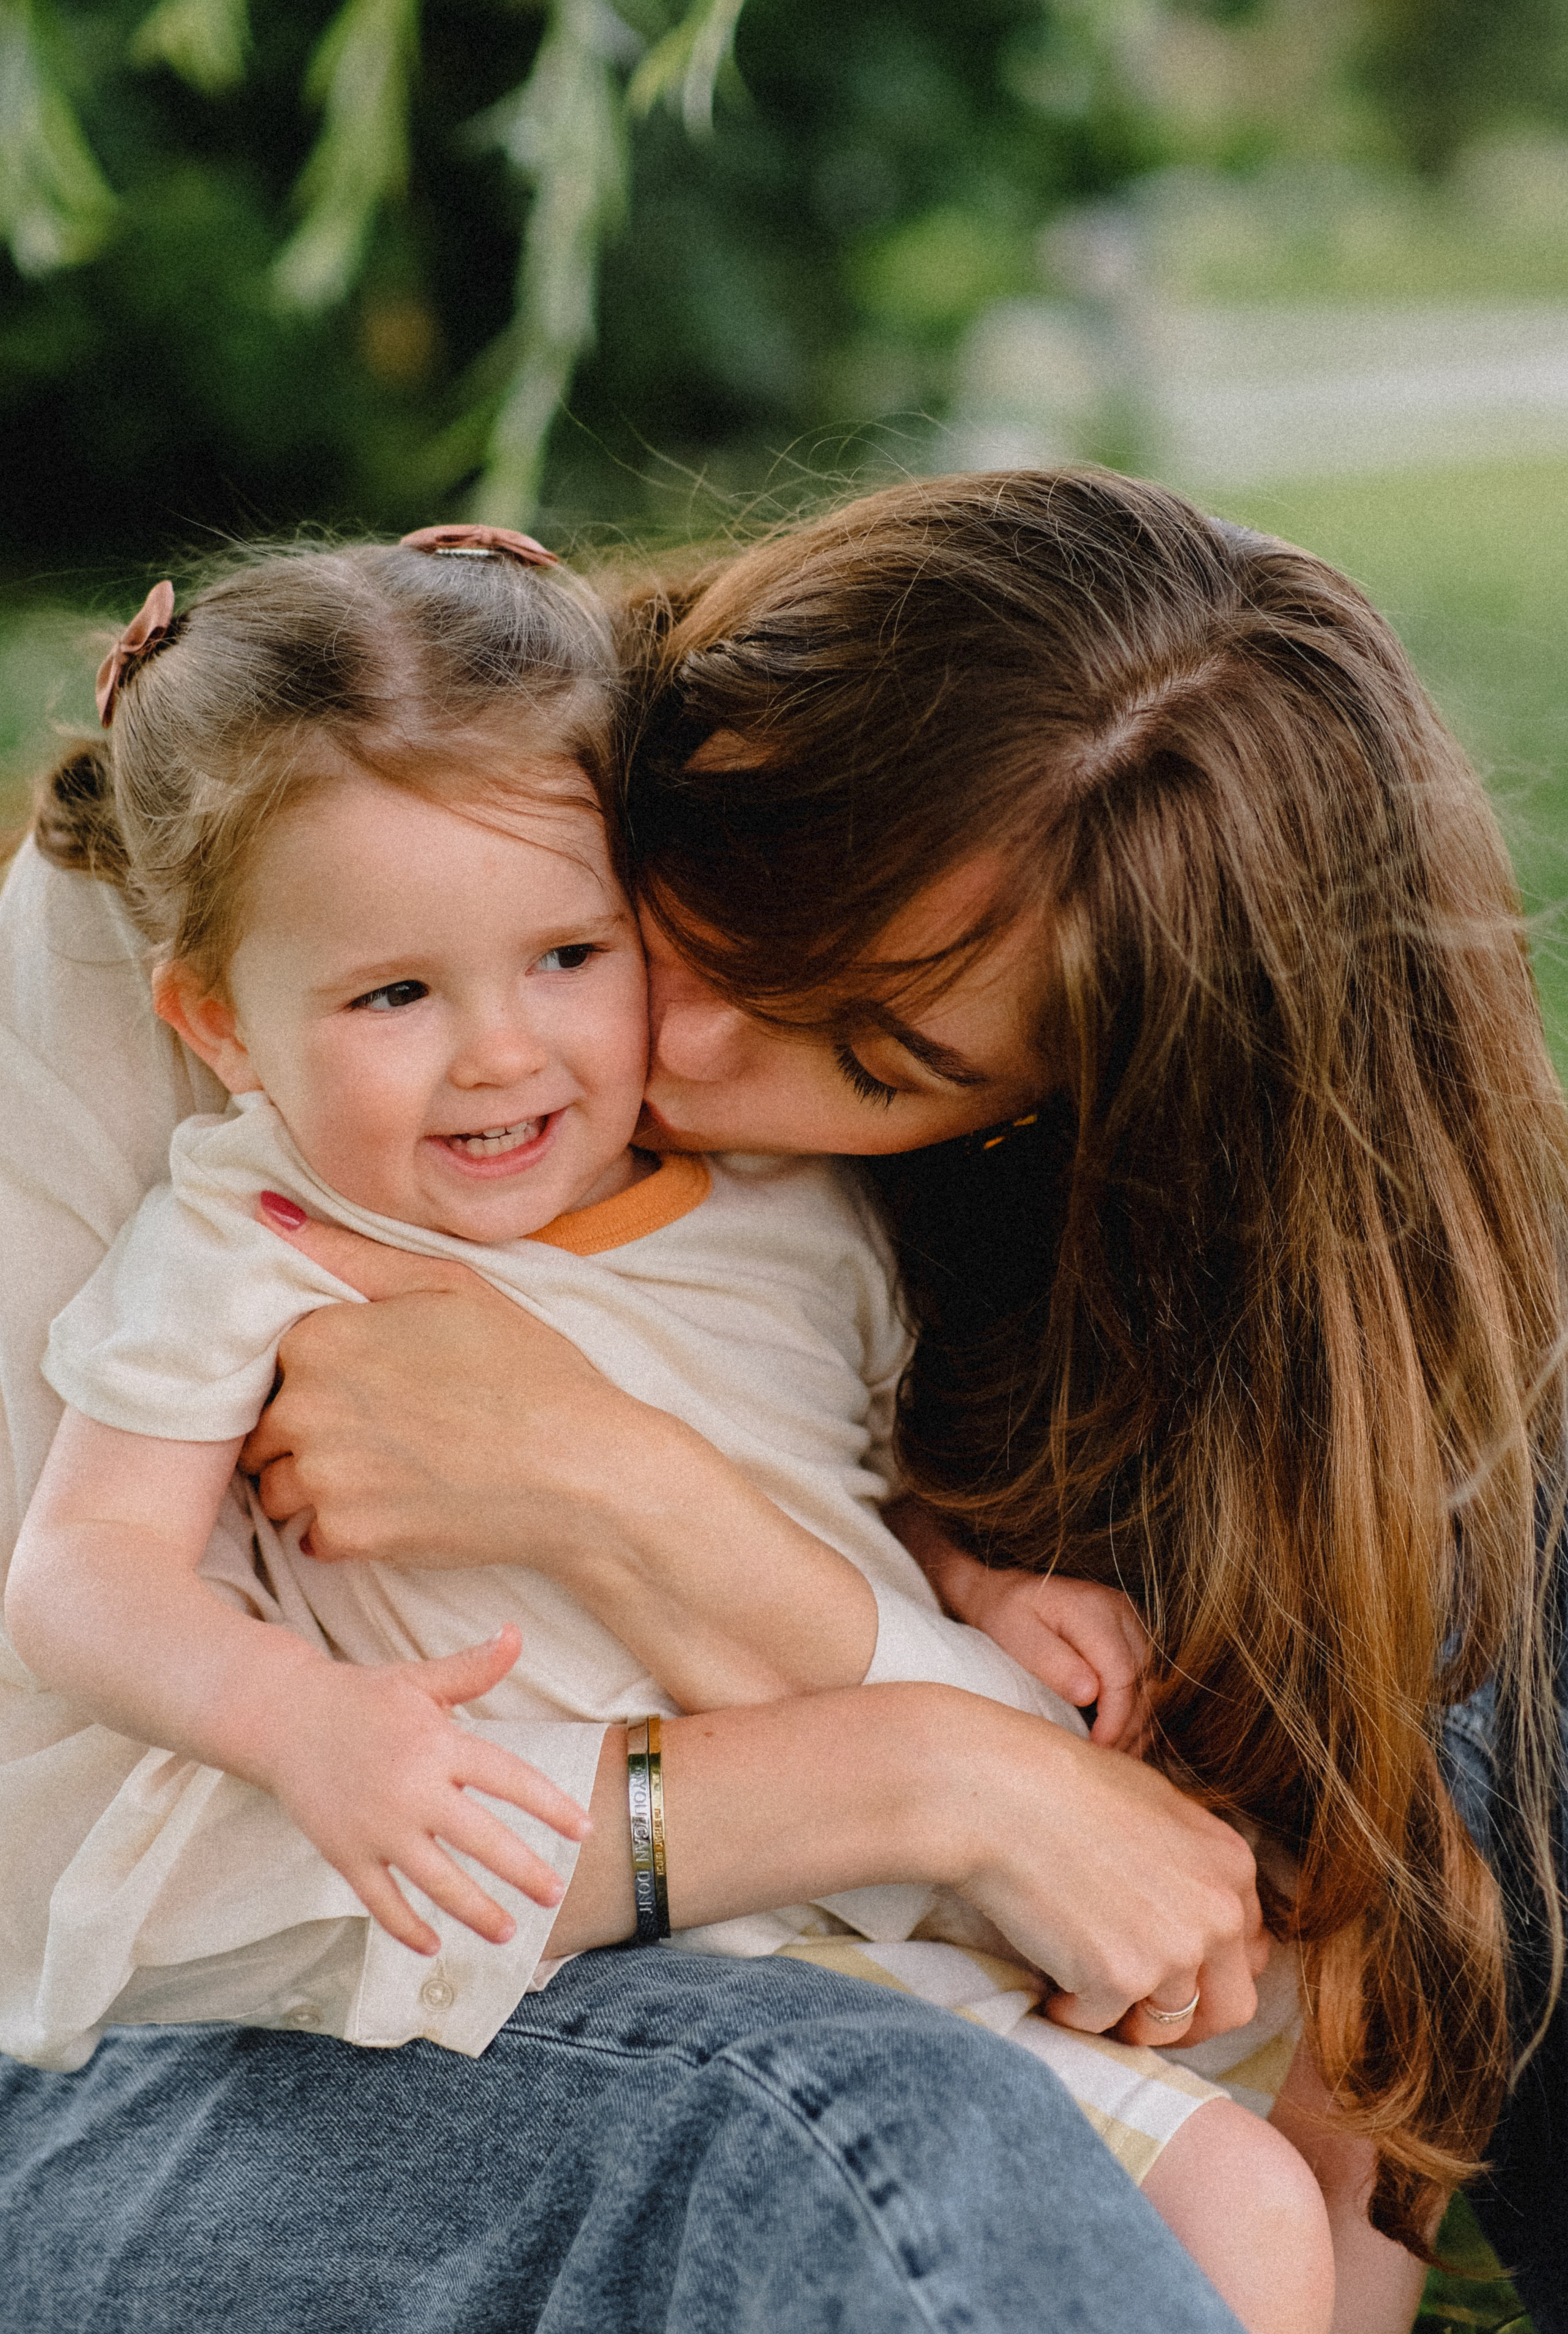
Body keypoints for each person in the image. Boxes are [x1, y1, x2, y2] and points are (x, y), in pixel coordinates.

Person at [0, 470, 1555, 2331]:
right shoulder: (294, 880)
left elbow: (1348, 1977)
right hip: (216, 2059)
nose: (689, 1041)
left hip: (847, 1931)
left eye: (878, 1055)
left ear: (1050, 1117)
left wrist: (638, 1501)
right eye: (715, 893)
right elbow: (52, 1899)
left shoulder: (840, 1226)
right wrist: (914, 1779)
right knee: (883, 2135)